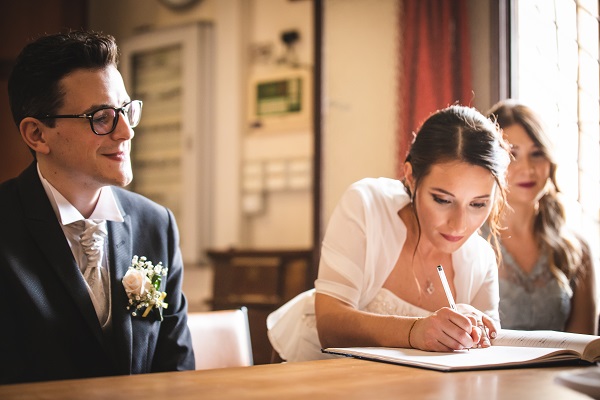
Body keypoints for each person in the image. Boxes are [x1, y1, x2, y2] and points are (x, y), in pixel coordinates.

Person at [1, 30, 195, 384]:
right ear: (37, 135)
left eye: (126, 111)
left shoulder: (156, 224)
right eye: (102, 117)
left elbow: (176, 370)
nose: (126, 132)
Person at [267, 105, 511, 362]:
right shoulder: (366, 207)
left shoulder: (481, 258)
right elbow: (329, 325)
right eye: (442, 200)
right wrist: (414, 331)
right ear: (411, 177)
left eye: (478, 204)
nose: (459, 225)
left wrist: (472, 334)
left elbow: (487, 351)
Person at [486, 99, 597, 334]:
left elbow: (584, 347)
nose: (527, 168)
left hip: (561, 371)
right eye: (512, 154)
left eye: (537, 154)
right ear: (490, 162)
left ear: (550, 161)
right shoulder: (469, 242)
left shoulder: (576, 250)